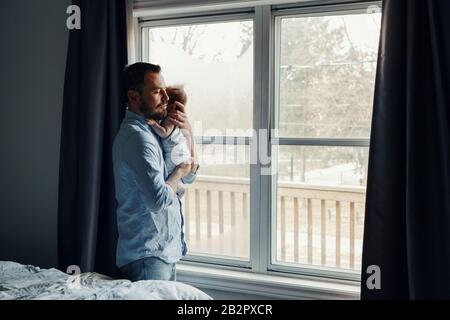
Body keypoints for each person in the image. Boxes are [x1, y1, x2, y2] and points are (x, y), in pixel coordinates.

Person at [112, 62, 199, 281]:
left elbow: (190, 174)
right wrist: (178, 173)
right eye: (156, 91)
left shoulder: (156, 132)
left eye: (164, 89)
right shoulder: (138, 138)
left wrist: (189, 134)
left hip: (166, 251)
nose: (167, 98)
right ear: (133, 96)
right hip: (146, 256)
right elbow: (158, 199)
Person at [145, 86, 192, 198]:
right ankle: (177, 188)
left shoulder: (171, 119)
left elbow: (165, 132)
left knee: (167, 173)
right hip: (177, 153)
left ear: (173, 106)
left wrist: (154, 124)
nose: (163, 100)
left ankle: (176, 190)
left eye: (167, 101)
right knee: (170, 172)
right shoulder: (168, 118)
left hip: (175, 153)